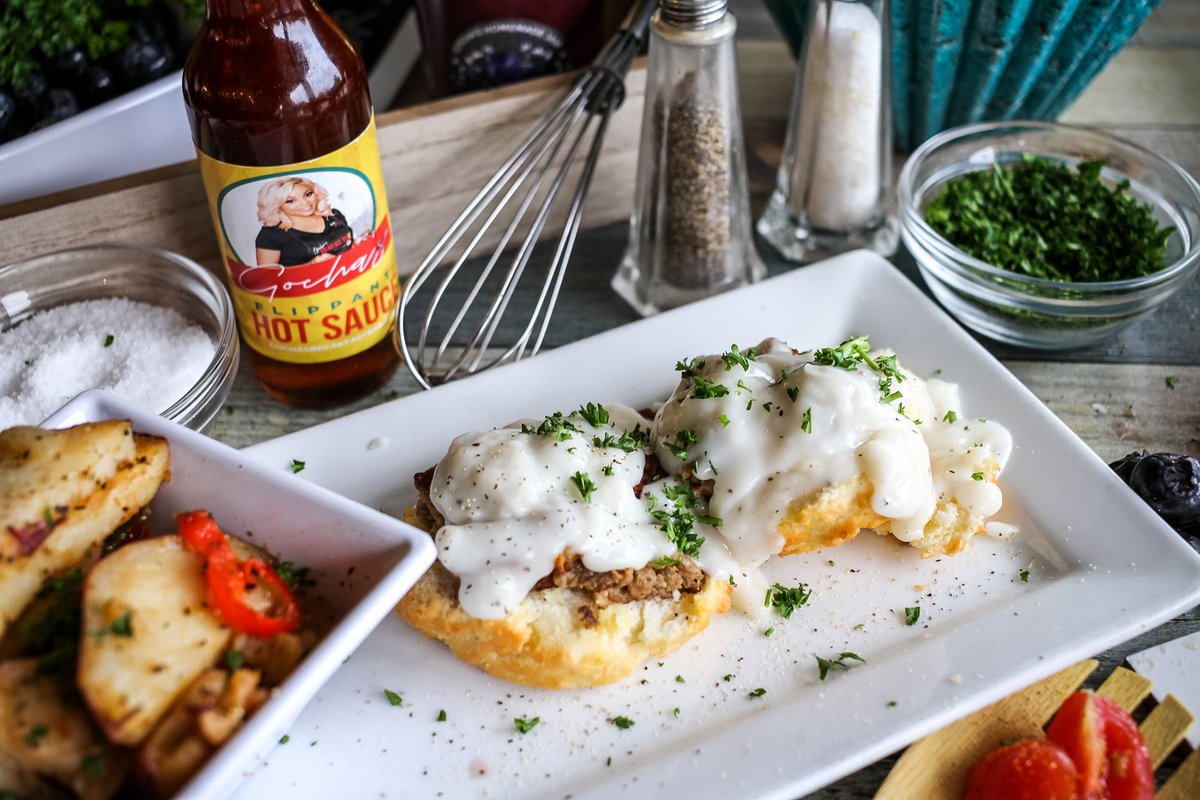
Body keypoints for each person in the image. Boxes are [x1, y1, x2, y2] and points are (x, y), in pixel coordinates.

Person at [254, 176, 355, 267]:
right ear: (277, 206)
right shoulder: (270, 235)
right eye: (291, 201)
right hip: (311, 285)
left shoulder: (333, 215)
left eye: (308, 194)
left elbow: (347, 244)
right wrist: (311, 264)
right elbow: (268, 275)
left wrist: (357, 244)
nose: (305, 202)